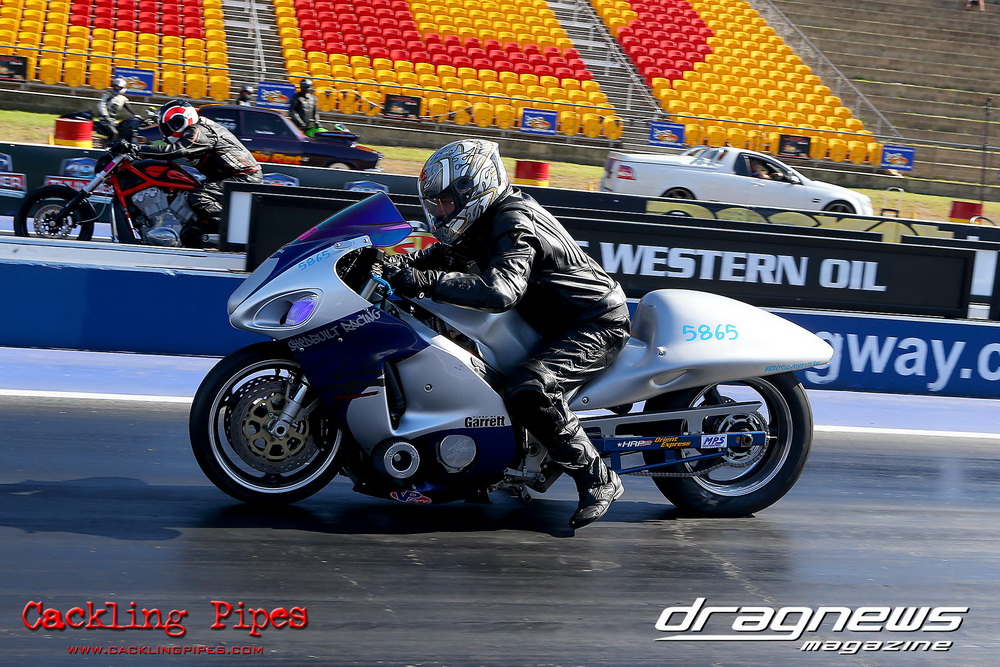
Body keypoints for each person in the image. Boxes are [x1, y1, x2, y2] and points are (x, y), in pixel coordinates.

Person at [383, 139, 630, 529]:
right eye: (435, 204)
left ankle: (597, 477)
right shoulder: (479, 222)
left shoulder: (512, 219)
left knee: (529, 386)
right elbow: (432, 258)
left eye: (445, 202)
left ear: (474, 191)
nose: (440, 212)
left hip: (593, 321)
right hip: (549, 321)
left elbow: (501, 291)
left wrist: (422, 281)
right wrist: (386, 263)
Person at [115, 100, 262, 244]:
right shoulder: (196, 129)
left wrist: (136, 149)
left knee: (200, 196)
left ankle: (231, 232)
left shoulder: (199, 130)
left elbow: (177, 150)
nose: (168, 130)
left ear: (182, 120)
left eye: (171, 125)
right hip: (226, 176)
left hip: (244, 177)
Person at [95, 77, 138, 142]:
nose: (117, 88)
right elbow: (101, 104)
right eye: (116, 87)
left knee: (125, 130)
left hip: (113, 120)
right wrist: (105, 116)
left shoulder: (123, 99)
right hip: (105, 119)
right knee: (114, 133)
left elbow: (129, 108)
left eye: (119, 87)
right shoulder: (108, 94)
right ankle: (109, 146)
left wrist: (137, 115)